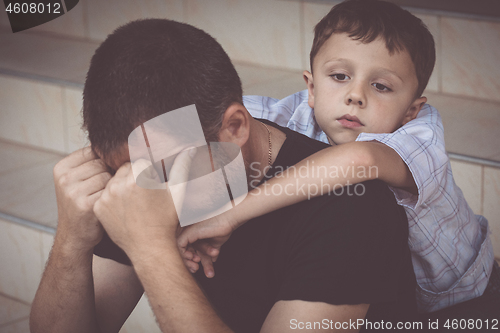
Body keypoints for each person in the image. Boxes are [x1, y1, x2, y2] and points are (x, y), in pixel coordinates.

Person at [30, 18, 418, 333]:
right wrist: (71, 241)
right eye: (129, 173)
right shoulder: (142, 175)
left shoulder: (352, 210)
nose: (148, 192)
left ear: (235, 127)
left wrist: (150, 248)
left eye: (167, 172)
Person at [177, 0, 498, 321]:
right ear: (312, 88)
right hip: (389, 289)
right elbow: (225, 113)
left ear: (411, 110)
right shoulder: (301, 113)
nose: (355, 95)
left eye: (381, 86)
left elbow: (358, 159)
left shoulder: (420, 134)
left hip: (463, 298)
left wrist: (233, 215)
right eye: (340, 76)